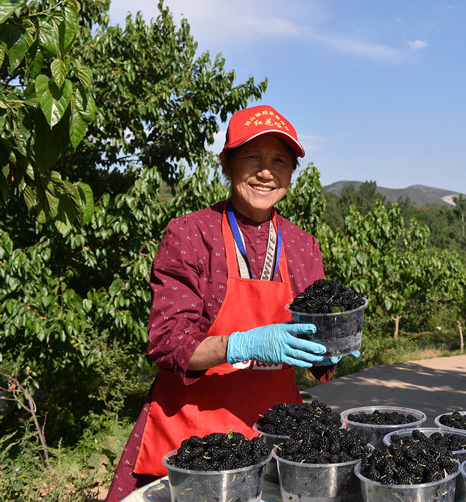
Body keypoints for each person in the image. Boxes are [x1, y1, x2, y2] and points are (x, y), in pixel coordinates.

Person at [107, 105, 355, 500]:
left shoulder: (302, 245)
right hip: (191, 440)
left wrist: (333, 345)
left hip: (275, 439)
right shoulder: (190, 234)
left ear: (291, 173)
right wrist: (242, 345)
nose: (266, 172)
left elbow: (316, 343)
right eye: (252, 156)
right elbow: (167, 342)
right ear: (227, 164)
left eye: (279, 160)